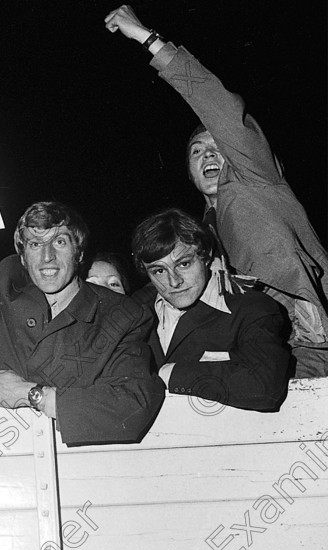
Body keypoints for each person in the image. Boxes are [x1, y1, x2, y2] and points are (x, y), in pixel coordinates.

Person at [0, 65, 164, 447]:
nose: (46, 255)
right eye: (33, 243)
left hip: (83, 472)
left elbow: (133, 405)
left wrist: (34, 395)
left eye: (59, 241)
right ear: (22, 255)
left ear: (79, 252)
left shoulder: (122, 315)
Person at [105, 4, 328, 378]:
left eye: (217, 148)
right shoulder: (203, 229)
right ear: (189, 172)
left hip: (308, 334)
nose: (208, 154)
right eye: (197, 151)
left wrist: (146, 38)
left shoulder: (254, 180)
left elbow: (220, 107)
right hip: (256, 340)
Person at [131, 208, 290, 410]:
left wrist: (170, 374)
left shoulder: (251, 308)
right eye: (159, 270)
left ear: (205, 257)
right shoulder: (135, 312)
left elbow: (264, 387)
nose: (174, 281)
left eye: (184, 264)